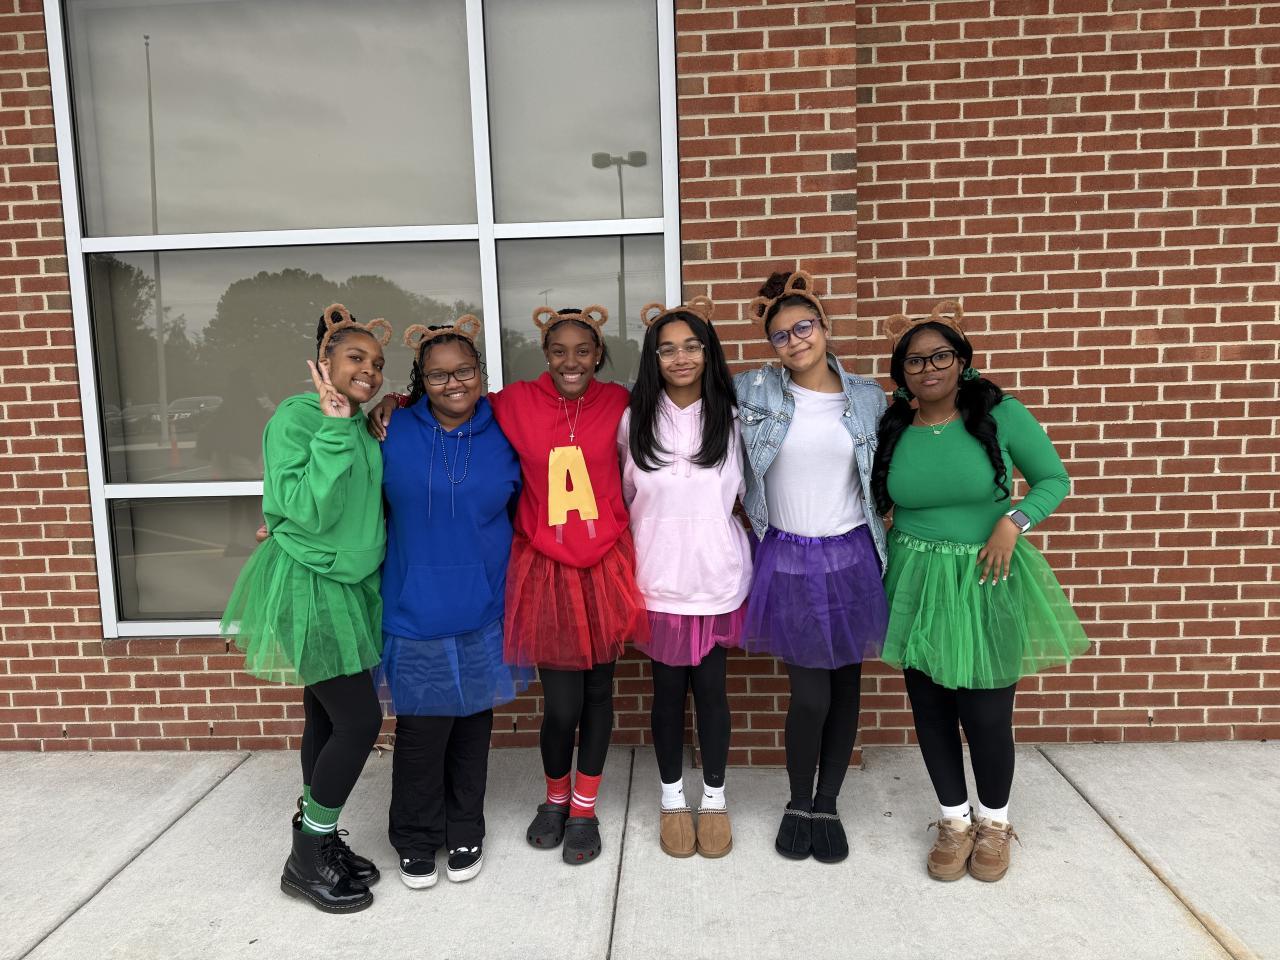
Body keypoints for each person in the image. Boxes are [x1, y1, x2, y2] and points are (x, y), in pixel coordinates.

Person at [368, 305, 646, 867]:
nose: (571, 361)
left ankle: (583, 809)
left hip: (599, 568)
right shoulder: (509, 404)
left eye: (583, 350)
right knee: (557, 706)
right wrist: (390, 402)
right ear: (544, 355)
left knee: (592, 697)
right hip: (538, 572)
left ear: (599, 354)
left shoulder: (618, 402)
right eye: (559, 351)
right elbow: (444, 402)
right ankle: (550, 800)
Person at [872, 301, 1089, 883]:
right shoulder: (893, 426)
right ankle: (954, 820)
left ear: (963, 361)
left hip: (987, 576)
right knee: (931, 710)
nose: (928, 368)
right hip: (916, 579)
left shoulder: (1000, 414)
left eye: (940, 356)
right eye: (914, 361)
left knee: (987, 713)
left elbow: (1054, 479)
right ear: (901, 373)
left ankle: (994, 823)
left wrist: (1013, 522)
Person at [221, 304, 392, 914]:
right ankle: (307, 855)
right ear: (324, 362)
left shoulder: (359, 422)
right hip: (309, 584)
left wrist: (379, 414)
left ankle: (320, 837)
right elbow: (307, 508)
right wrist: (336, 428)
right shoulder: (296, 418)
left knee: (324, 717)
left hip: (351, 584)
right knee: (359, 722)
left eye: (377, 363)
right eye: (355, 358)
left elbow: (361, 505)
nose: (369, 370)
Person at [735, 270, 889, 864]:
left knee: (845, 688)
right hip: (790, 558)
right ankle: (798, 800)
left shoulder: (868, 398)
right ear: (771, 345)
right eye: (780, 335)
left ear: (825, 327)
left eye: (803, 327)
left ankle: (827, 803)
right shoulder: (754, 392)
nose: (795, 341)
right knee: (810, 695)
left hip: (850, 556)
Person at [377, 316, 532, 890]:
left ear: (481, 374)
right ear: (420, 380)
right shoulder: (389, 429)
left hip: (483, 604)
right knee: (422, 732)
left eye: (464, 370)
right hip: (414, 605)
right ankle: (415, 837)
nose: (453, 383)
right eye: (438, 375)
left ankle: (466, 827)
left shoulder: (506, 430)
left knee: (471, 726)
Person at [619, 297, 750, 859]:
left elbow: (748, 495)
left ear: (707, 352)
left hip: (715, 576)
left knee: (713, 693)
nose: (680, 358)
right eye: (667, 348)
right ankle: (672, 798)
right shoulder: (634, 420)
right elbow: (627, 496)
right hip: (658, 577)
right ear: (653, 357)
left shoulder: (734, 418)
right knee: (667, 695)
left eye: (691, 346)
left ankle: (714, 799)